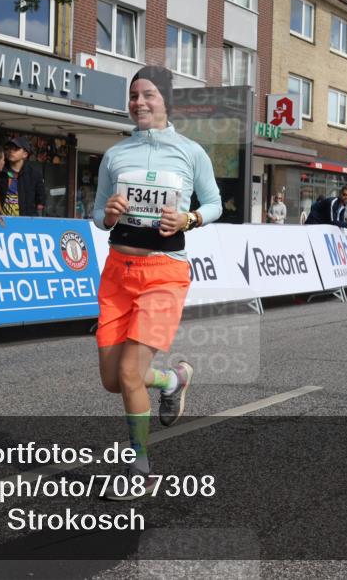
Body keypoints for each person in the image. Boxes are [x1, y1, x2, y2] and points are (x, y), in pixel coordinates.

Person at [92, 65, 222, 499]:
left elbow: (216, 203)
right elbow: (96, 215)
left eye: (148, 95)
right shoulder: (116, 155)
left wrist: (190, 217)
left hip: (164, 271)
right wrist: (108, 215)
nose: (139, 103)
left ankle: (140, 470)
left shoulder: (190, 152)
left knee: (130, 372)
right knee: (115, 380)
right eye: (133, 96)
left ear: (167, 101)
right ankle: (171, 381)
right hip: (117, 273)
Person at [1, 135, 46, 217]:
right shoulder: (0, 170)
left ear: (25, 154)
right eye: (9, 148)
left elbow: (41, 201)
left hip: (26, 222)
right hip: (1, 221)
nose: (11, 151)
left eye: (16, 149)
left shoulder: (34, 173)